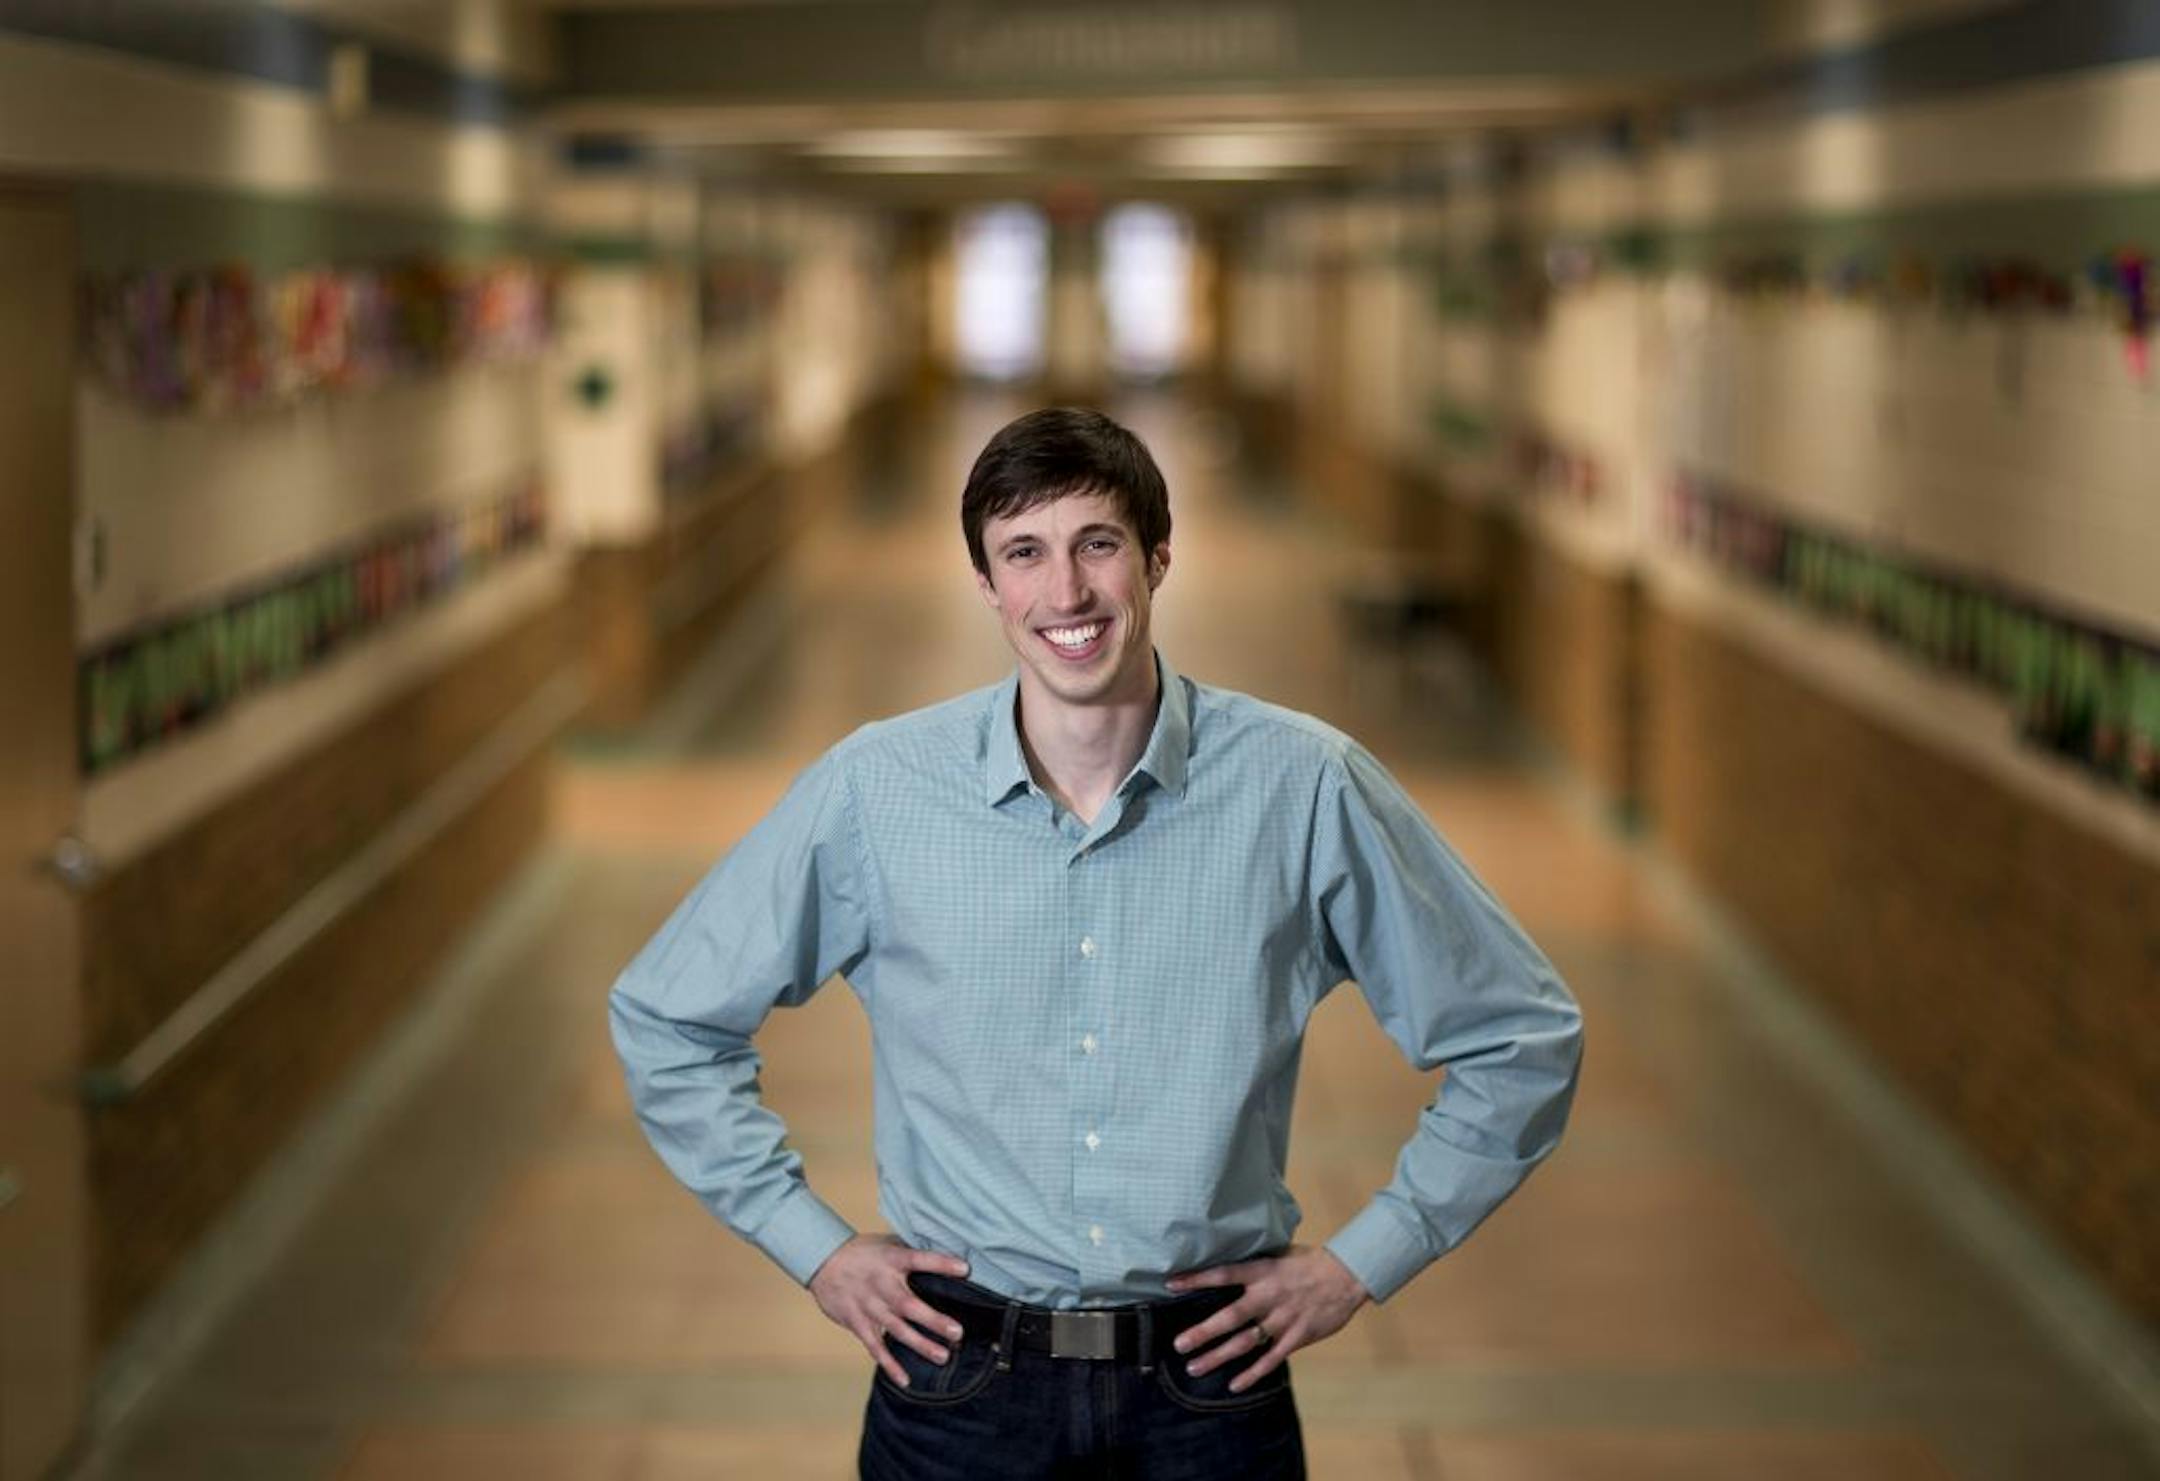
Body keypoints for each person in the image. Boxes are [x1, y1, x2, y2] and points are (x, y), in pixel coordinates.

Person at [609, 407, 1583, 1479]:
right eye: (1024, 552)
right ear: (986, 583)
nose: (1065, 591)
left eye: (1098, 543)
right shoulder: (875, 792)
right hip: (956, 1389)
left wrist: (1363, 1262)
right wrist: (817, 1250)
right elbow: (667, 1017)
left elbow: (1520, 1036)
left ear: (1159, 556)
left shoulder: (1305, 786)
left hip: (1211, 1392)